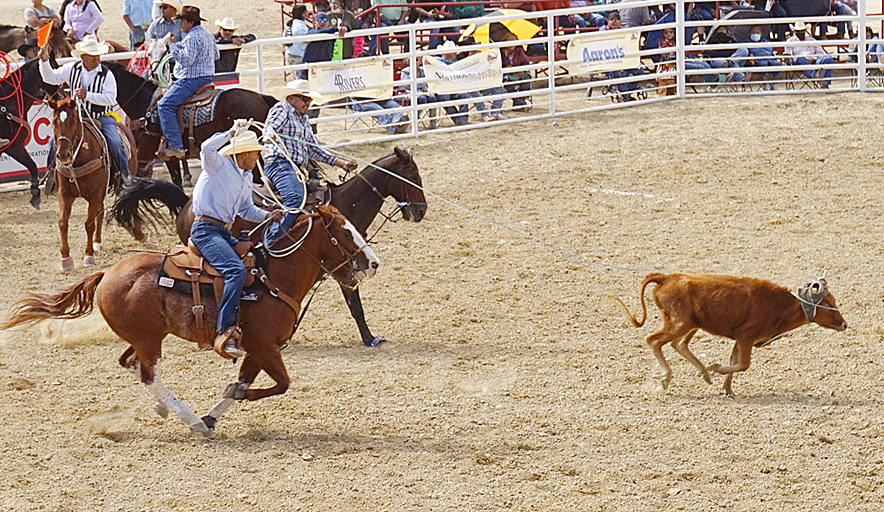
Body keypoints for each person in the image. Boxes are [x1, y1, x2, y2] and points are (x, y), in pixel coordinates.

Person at [190, 122, 285, 359]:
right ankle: (224, 331)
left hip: (222, 232)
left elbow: (246, 210)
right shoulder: (218, 165)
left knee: (258, 260)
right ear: (243, 154)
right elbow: (205, 148)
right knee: (234, 271)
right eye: (254, 152)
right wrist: (230, 133)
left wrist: (268, 215)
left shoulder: (244, 178)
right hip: (205, 230)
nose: (257, 157)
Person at [262, 80, 357, 245]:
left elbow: (313, 149)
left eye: (309, 100)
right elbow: (270, 128)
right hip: (279, 164)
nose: (307, 103)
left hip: (297, 168)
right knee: (295, 198)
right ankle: (272, 240)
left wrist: (341, 163)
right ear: (291, 98)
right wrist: (269, 136)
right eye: (303, 98)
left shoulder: (303, 119)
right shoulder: (282, 109)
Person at [38, 35, 131, 181]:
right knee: (53, 141)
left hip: (101, 115)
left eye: (97, 56)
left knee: (115, 142)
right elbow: (51, 78)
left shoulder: (107, 74)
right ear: (84, 57)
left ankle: (125, 177)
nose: (97, 59)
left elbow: (111, 98)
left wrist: (87, 95)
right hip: (76, 116)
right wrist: (44, 61)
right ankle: (52, 175)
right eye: (93, 56)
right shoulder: (72, 69)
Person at [157, 5, 219, 159]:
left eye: (182, 21)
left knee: (164, 105)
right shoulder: (208, 35)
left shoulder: (191, 38)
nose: (180, 24)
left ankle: (176, 145)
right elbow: (216, 55)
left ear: (190, 23)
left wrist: (172, 46)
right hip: (207, 78)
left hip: (191, 79)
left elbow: (186, 60)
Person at [600, 12, 645, 101]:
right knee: (615, 72)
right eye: (612, 20)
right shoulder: (603, 30)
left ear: (620, 22)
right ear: (608, 21)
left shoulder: (625, 32)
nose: (614, 22)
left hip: (623, 59)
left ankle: (627, 91)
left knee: (639, 71)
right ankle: (626, 96)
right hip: (609, 59)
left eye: (617, 20)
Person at [785, 21, 834, 89]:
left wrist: (813, 58)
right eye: (798, 31)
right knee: (800, 59)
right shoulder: (790, 41)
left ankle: (824, 84)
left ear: (805, 31)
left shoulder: (811, 40)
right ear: (794, 31)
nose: (800, 33)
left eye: (802, 31)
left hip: (814, 61)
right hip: (799, 63)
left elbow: (820, 52)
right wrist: (802, 59)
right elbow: (789, 56)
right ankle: (816, 77)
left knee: (828, 59)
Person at [434, 41, 470, 126]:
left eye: (451, 53)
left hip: (455, 87)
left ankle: (461, 120)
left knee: (464, 95)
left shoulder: (458, 63)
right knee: (444, 97)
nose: (448, 55)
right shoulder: (436, 61)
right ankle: (459, 120)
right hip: (442, 89)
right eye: (447, 53)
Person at [743, 24, 781, 90]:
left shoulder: (765, 41)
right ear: (749, 34)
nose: (755, 34)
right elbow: (744, 51)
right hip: (757, 60)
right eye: (753, 33)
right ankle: (766, 85)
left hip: (769, 58)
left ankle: (774, 85)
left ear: (761, 34)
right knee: (763, 64)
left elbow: (770, 51)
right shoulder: (746, 42)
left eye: (757, 33)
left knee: (777, 64)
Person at [501, 35, 531, 112]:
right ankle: (521, 103)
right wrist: (505, 68)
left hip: (518, 73)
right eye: (509, 41)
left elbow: (526, 63)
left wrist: (521, 69)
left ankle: (518, 103)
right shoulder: (501, 52)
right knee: (507, 83)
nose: (511, 44)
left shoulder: (519, 51)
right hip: (506, 74)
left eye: (513, 41)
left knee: (526, 79)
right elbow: (497, 66)